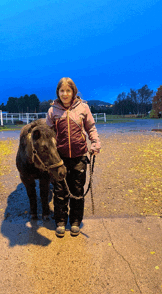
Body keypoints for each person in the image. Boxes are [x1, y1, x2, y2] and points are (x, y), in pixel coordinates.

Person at [46, 77, 101, 237]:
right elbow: (48, 135)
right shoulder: (52, 111)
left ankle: (75, 221)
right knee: (60, 191)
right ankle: (61, 222)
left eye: (68, 91)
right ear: (58, 92)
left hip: (78, 157)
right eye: (62, 91)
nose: (65, 94)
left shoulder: (83, 108)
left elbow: (90, 127)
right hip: (59, 159)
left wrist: (95, 143)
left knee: (77, 190)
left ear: (73, 92)